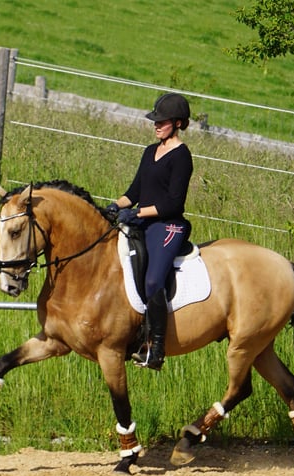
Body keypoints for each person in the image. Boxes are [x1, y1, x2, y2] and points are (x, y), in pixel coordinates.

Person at [105, 93, 193, 371]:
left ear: (177, 123)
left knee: (154, 281)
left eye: (162, 121)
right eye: (155, 120)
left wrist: (138, 213)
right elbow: (134, 193)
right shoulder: (149, 151)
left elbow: (172, 203)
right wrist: (114, 205)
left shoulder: (182, 156)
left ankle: (156, 349)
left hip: (168, 226)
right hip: (142, 220)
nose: (156, 125)